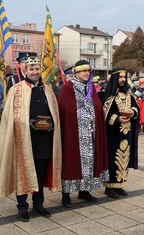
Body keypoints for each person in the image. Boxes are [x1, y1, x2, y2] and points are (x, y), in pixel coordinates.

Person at [0, 55, 61, 221]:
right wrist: (26, 123)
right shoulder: (17, 89)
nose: (35, 72)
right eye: (32, 69)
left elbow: (55, 113)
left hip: (44, 140)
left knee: (41, 173)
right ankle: (22, 207)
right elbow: (10, 116)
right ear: (25, 70)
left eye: (37, 69)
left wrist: (52, 125)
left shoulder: (47, 89)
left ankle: (38, 204)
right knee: (22, 172)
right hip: (24, 139)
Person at [58, 60, 109, 208]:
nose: (87, 74)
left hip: (91, 133)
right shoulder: (68, 88)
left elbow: (97, 106)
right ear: (76, 72)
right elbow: (66, 109)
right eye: (83, 71)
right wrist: (85, 117)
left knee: (89, 162)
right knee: (70, 161)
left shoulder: (90, 88)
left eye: (88, 71)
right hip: (73, 133)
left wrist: (97, 116)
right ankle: (66, 194)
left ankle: (84, 190)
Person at [101, 67, 139, 199]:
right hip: (112, 133)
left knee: (124, 157)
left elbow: (136, 106)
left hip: (126, 132)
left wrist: (133, 111)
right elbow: (104, 113)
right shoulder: (109, 94)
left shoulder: (129, 93)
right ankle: (109, 186)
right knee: (112, 158)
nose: (123, 80)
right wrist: (117, 118)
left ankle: (120, 184)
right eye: (120, 77)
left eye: (124, 77)